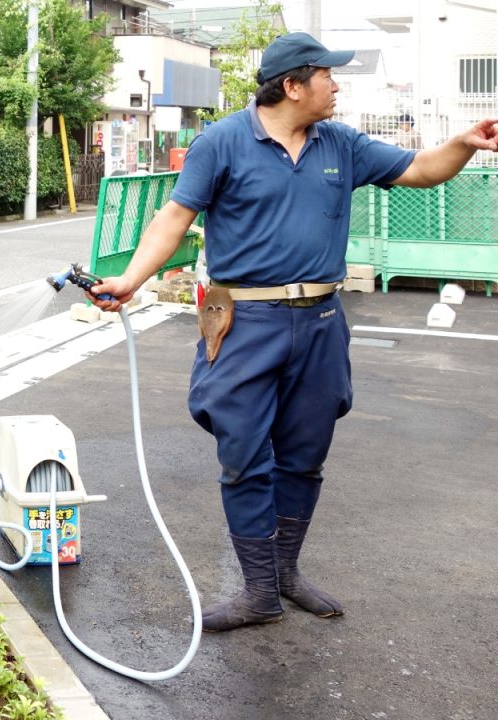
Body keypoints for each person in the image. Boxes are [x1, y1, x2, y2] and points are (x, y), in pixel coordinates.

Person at [86, 32, 498, 633]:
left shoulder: (341, 143)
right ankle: (257, 590)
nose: (337, 85)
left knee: (305, 455)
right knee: (245, 454)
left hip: (322, 322)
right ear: (293, 85)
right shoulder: (222, 142)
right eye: (328, 76)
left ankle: (282, 572)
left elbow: (420, 169)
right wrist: (129, 280)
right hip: (241, 320)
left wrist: (464, 144)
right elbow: (174, 217)